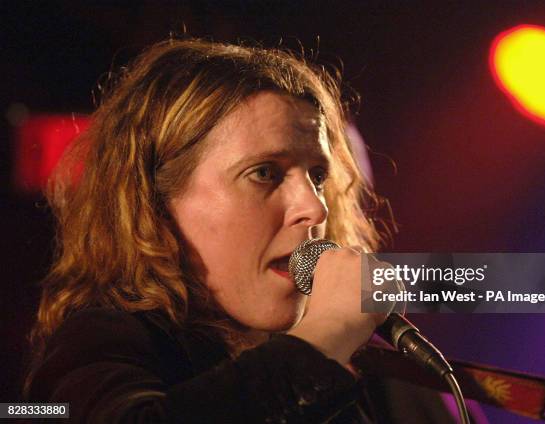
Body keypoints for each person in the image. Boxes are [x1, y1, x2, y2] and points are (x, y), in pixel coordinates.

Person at [23, 37, 391, 423]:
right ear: (156, 203)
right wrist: (329, 331)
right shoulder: (98, 343)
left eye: (317, 176)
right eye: (264, 173)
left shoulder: (359, 371)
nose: (315, 208)